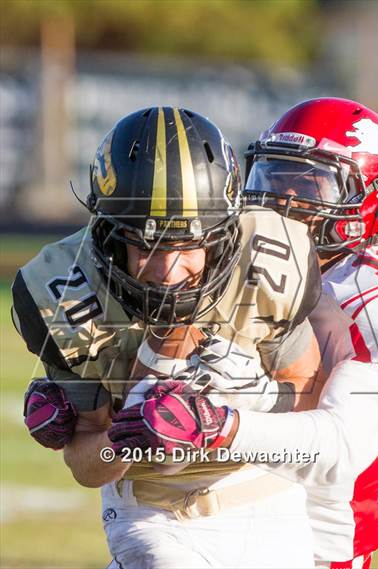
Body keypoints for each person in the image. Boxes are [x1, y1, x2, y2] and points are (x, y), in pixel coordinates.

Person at [13, 107, 324, 568]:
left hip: (268, 497)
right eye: (145, 244)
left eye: (188, 243)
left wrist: (242, 409)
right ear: (108, 234)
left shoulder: (270, 258)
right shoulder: (63, 291)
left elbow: (310, 406)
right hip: (151, 509)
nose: (168, 270)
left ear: (223, 232)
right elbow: (85, 465)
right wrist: (128, 437)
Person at [131, 98, 378, 569]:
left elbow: (338, 451)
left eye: (308, 185)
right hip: (206, 520)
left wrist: (223, 423)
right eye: (272, 177)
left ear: (372, 199)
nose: (280, 201)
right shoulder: (235, 256)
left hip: (317, 546)